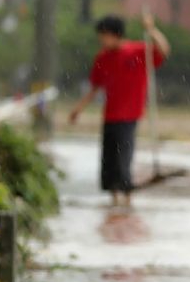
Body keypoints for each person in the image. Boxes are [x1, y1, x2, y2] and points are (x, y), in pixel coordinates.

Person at [68, 12, 171, 207]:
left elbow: (164, 51)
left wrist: (151, 29)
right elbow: (95, 87)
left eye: (103, 35)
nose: (101, 40)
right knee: (108, 158)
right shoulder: (102, 58)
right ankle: (114, 200)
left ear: (114, 34)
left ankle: (127, 195)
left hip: (130, 114)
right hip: (110, 115)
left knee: (123, 155)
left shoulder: (138, 52)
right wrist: (78, 109)